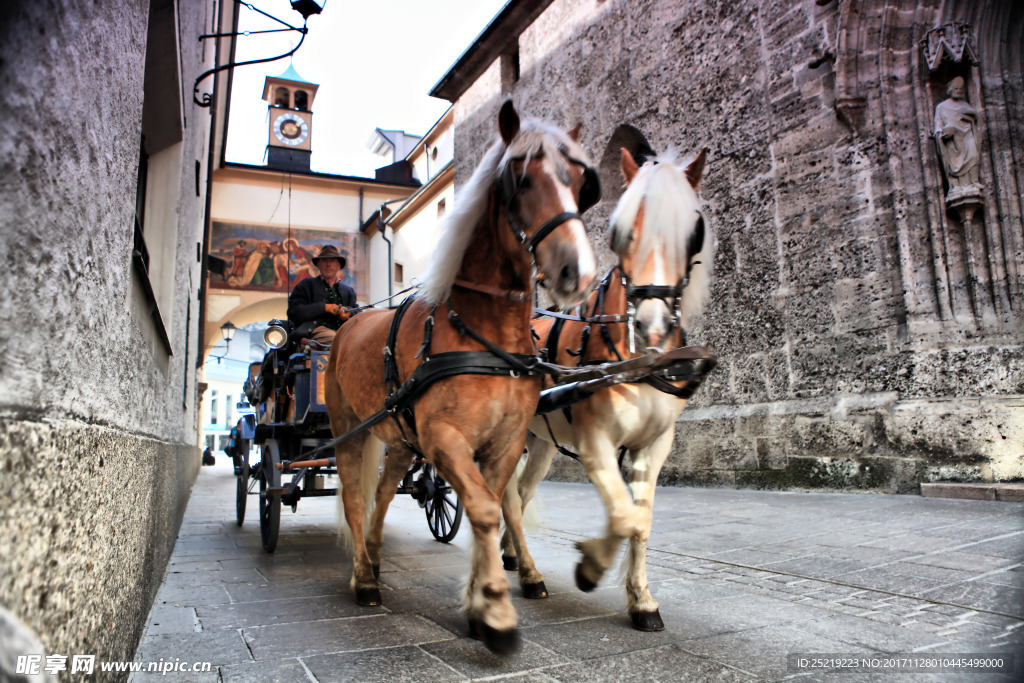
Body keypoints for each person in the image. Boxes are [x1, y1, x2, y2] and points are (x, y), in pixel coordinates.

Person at [287, 245, 356, 345]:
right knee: (337, 340)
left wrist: (348, 313)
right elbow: (294, 312)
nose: (328, 264)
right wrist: (324, 307)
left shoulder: (348, 291)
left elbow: (358, 313)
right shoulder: (305, 285)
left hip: (343, 332)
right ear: (318, 265)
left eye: (332, 261)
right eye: (324, 261)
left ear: (338, 266)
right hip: (314, 332)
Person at [933, 76, 981, 198]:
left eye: (960, 89)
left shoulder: (965, 105)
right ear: (950, 89)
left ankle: (973, 182)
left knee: (974, 154)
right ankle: (956, 185)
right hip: (951, 140)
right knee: (952, 160)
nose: (958, 91)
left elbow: (975, 118)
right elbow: (938, 124)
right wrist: (941, 133)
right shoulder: (941, 107)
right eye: (955, 88)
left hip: (966, 136)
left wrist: (973, 115)